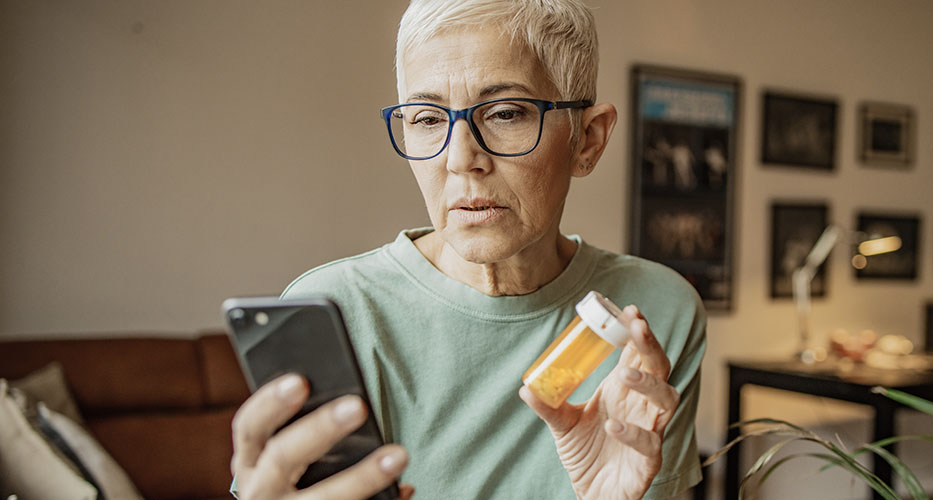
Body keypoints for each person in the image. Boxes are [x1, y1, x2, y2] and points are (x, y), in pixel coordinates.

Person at [229, 0, 707, 498]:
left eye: (504, 112)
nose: (460, 159)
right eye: (427, 118)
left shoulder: (658, 311)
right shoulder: (333, 309)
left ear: (587, 140)